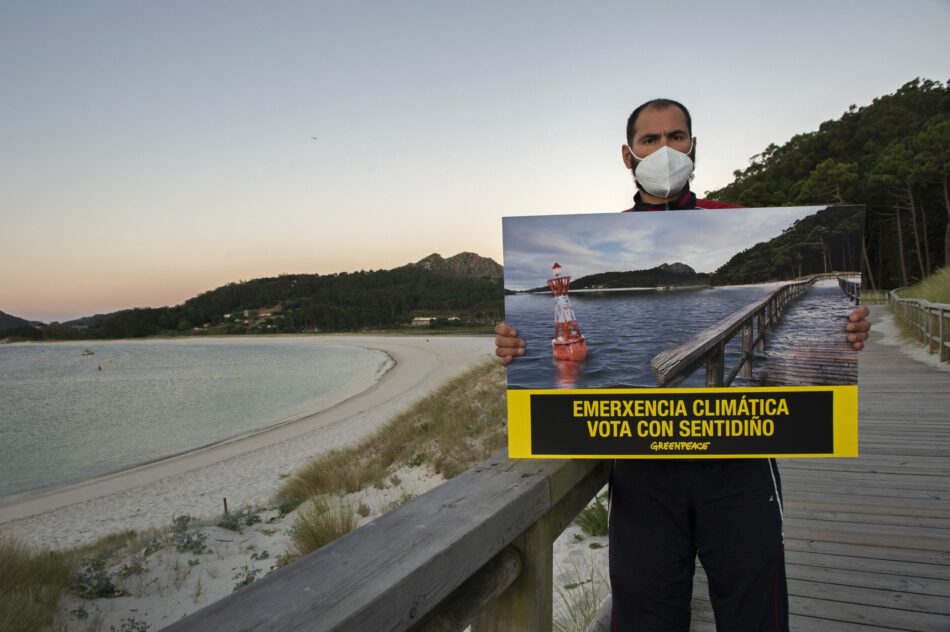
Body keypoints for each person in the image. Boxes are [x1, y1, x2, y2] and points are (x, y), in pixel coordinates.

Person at [495, 98, 871, 631]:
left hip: (742, 458)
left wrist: (846, 328)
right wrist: (517, 347)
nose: (665, 150)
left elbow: (840, 331)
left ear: (693, 146)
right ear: (628, 156)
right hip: (642, 469)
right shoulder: (608, 233)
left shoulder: (737, 219)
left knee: (754, 613)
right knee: (646, 616)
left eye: (676, 136)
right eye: (650, 141)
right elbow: (548, 383)